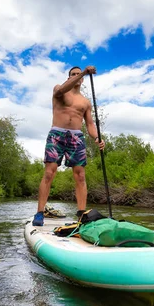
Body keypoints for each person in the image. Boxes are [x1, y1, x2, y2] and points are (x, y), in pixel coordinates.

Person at [32, 65, 105, 226]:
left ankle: (81, 214)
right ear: (68, 77)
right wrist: (84, 72)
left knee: (80, 175)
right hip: (56, 135)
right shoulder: (59, 89)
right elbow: (62, 89)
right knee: (49, 173)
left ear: (83, 80)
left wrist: (97, 138)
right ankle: (39, 213)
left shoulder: (85, 102)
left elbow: (90, 124)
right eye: (73, 74)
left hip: (76, 137)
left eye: (79, 74)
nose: (76, 76)